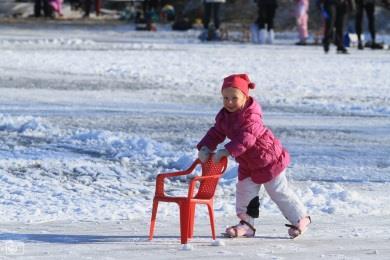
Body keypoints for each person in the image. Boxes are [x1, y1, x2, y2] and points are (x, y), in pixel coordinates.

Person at [197, 74, 311, 239]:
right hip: (248, 163)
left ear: (245, 96)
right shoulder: (225, 117)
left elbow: (246, 138)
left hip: (269, 159)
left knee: (277, 191)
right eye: (225, 98)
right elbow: (216, 132)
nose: (229, 102)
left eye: (234, 98)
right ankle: (246, 225)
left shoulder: (252, 116)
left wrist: (227, 151)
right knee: (244, 192)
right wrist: (205, 146)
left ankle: (301, 219)